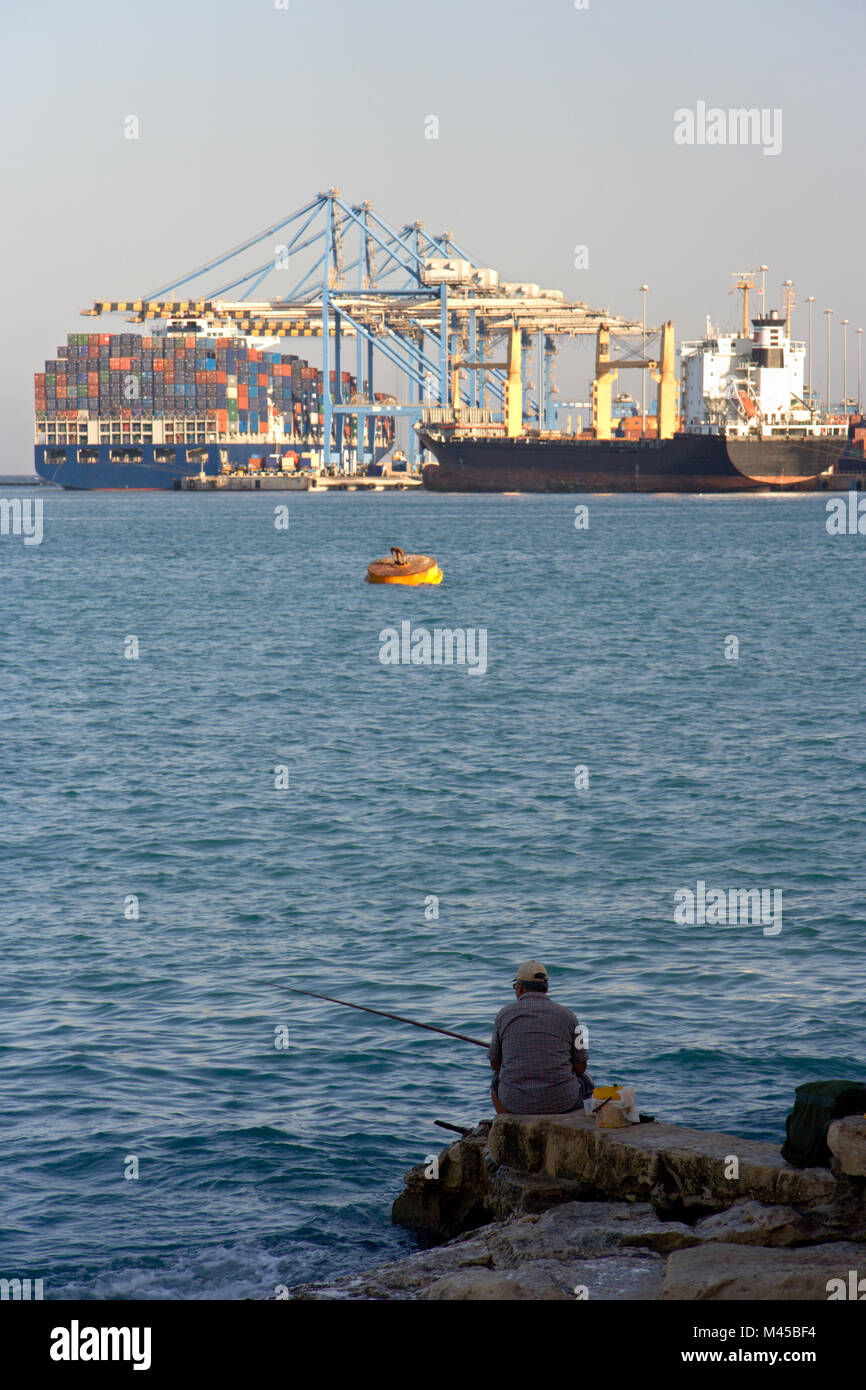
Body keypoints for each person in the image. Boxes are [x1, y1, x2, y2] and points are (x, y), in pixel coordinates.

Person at [488, 961, 593, 1115]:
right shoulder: (569, 1016)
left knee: (496, 1079)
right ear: (547, 988)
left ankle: (509, 1122)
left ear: (520, 987)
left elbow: (495, 1064)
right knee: (587, 1080)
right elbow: (581, 1066)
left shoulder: (503, 1015)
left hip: (514, 1104)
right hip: (563, 1103)